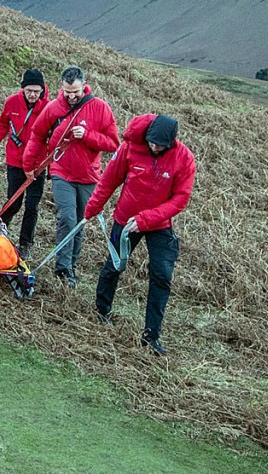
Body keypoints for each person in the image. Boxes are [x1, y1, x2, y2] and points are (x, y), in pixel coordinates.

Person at [84, 114, 196, 356]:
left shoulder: (184, 158)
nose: (154, 147)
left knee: (162, 276)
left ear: (171, 143)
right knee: (115, 266)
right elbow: (108, 181)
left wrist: (146, 219)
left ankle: (151, 336)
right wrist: (92, 208)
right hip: (125, 220)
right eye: (151, 143)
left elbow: (180, 199)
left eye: (159, 145)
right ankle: (102, 311)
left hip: (158, 224)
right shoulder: (130, 147)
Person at [22, 66, 119, 288]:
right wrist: (29, 164)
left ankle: (71, 266)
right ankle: (63, 268)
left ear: (84, 86)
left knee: (80, 222)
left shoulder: (100, 108)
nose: (71, 96)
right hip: (61, 172)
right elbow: (37, 135)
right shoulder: (54, 108)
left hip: (89, 176)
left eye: (75, 92)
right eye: (67, 92)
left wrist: (88, 136)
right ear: (61, 88)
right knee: (67, 218)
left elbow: (113, 143)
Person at [0, 68, 49, 260]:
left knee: (32, 206)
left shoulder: (49, 107)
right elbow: (2, 126)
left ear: (42, 90)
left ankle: (25, 244)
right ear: (23, 89)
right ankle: (0, 231)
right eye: (29, 91)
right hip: (15, 161)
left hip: (37, 165)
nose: (33, 95)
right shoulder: (12, 102)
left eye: (37, 91)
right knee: (13, 202)